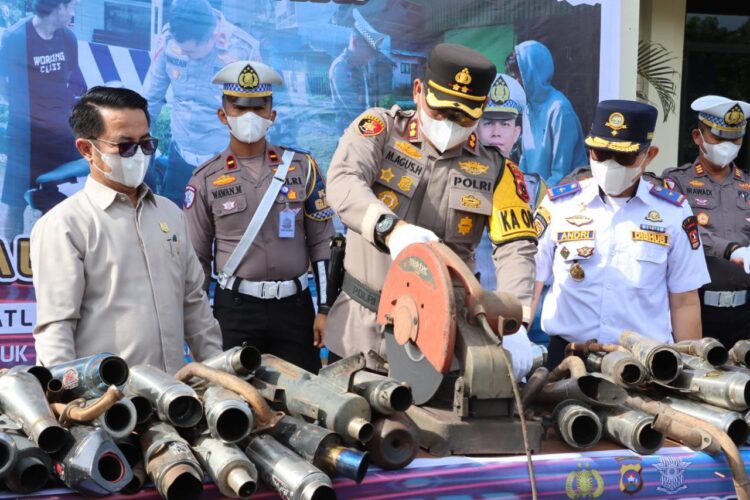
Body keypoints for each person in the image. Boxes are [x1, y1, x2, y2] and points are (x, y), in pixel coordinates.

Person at [325, 43, 538, 379]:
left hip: (441, 340)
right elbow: (343, 181)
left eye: (464, 116)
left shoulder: (498, 170)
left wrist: (515, 322)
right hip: (360, 330)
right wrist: (389, 229)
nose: (450, 123)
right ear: (418, 91)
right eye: (440, 111)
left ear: (482, 109)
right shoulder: (380, 131)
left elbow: (516, 247)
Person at [31, 86, 222, 373]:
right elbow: (56, 327)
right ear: (86, 149)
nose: (138, 155)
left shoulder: (170, 215)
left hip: (175, 392)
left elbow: (194, 305)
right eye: (125, 146)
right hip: (108, 396)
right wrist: (68, 393)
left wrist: (219, 375)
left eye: (146, 143)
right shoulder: (64, 225)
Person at [533, 100, 710, 369]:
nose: (610, 165)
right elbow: (531, 279)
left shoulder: (673, 212)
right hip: (568, 358)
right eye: (601, 154)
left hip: (645, 363)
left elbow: (684, 301)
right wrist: (515, 338)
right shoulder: (559, 204)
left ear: (649, 156)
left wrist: (691, 368)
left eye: (624, 158)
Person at [185, 61, 333, 374]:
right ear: (223, 115)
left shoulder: (302, 167)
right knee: (235, 395)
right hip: (235, 310)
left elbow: (322, 243)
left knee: (304, 394)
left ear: (272, 115)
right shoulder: (205, 179)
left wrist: (324, 308)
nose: (249, 116)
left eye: (258, 108)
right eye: (239, 108)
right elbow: (196, 260)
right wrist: (197, 324)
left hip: (295, 308)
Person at [143, 0, 261, 206]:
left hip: (224, 160)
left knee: (223, 219)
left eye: (192, 52)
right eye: (183, 51)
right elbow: (150, 98)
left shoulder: (243, 50)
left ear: (212, 36)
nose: (188, 57)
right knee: (174, 216)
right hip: (180, 155)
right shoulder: (169, 40)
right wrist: (140, 141)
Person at [662, 96, 750, 348]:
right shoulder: (676, 182)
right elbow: (682, 229)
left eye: (735, 139)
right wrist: (731, 250)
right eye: (719, 138)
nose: (727, 145)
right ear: (697, 136)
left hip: (745, 311)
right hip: (695, 308)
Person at [0, 0, 86, 235]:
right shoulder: (16, 38)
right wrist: (23, 107)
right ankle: (11, 254)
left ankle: (49, 250)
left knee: (59, 202)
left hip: (58, 133)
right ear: (58, 7)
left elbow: (68, 77)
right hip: (24, 135)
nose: (72, 13)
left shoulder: (68, 39)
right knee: (15, 204)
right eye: (71, 7)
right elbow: (2, 81)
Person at [506, 40, 587, 187]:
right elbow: (525, 160)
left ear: (534, 73)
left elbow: (561, 173)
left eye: (519, 75)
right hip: (536, 194)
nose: (516, 81)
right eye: (513, 75)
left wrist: (539, 197)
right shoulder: (528, 108)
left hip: (564, 194)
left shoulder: (559, 109)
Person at [329, 9, 390, 130]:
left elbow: (365, 98)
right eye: (370, 51)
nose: (371, 57)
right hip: (350, 130)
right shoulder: (341, 67)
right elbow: (353, 108)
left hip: (361, 126)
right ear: (355, 42)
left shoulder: (359, 66)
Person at [477, 73, 525, 163]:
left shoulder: (523, 173)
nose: (496, 133)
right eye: (488, 123)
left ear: (516, 133)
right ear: (475, 130)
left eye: (505, 124)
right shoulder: (456, 170)